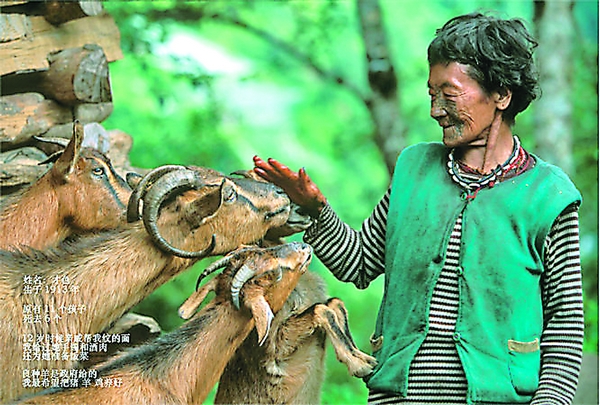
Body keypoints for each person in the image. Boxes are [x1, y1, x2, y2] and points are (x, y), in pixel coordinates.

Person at [253, 12, 583, 405]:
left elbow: (564, 324)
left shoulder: (548, 195)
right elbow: (358, 264)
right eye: (431, 94)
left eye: (450, 93)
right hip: (398, 397)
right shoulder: (414, 170)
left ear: (501, 94)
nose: (436, 110)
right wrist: (316, 210)